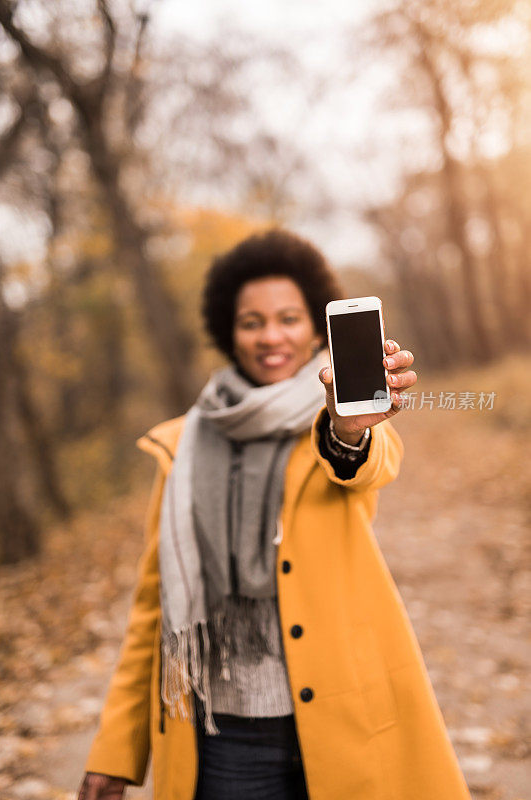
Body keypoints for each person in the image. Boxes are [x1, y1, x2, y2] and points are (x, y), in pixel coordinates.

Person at [78, 229, 471, 800]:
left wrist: (345, 429)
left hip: (348, 725)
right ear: (228, 331)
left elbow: (366, 464)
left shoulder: (338, 420)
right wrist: (113, 752)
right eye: (251, 321)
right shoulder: (182, 445)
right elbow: (152, 614)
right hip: (224, 737)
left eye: (288, 317)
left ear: (316, 327)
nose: (271, 336)